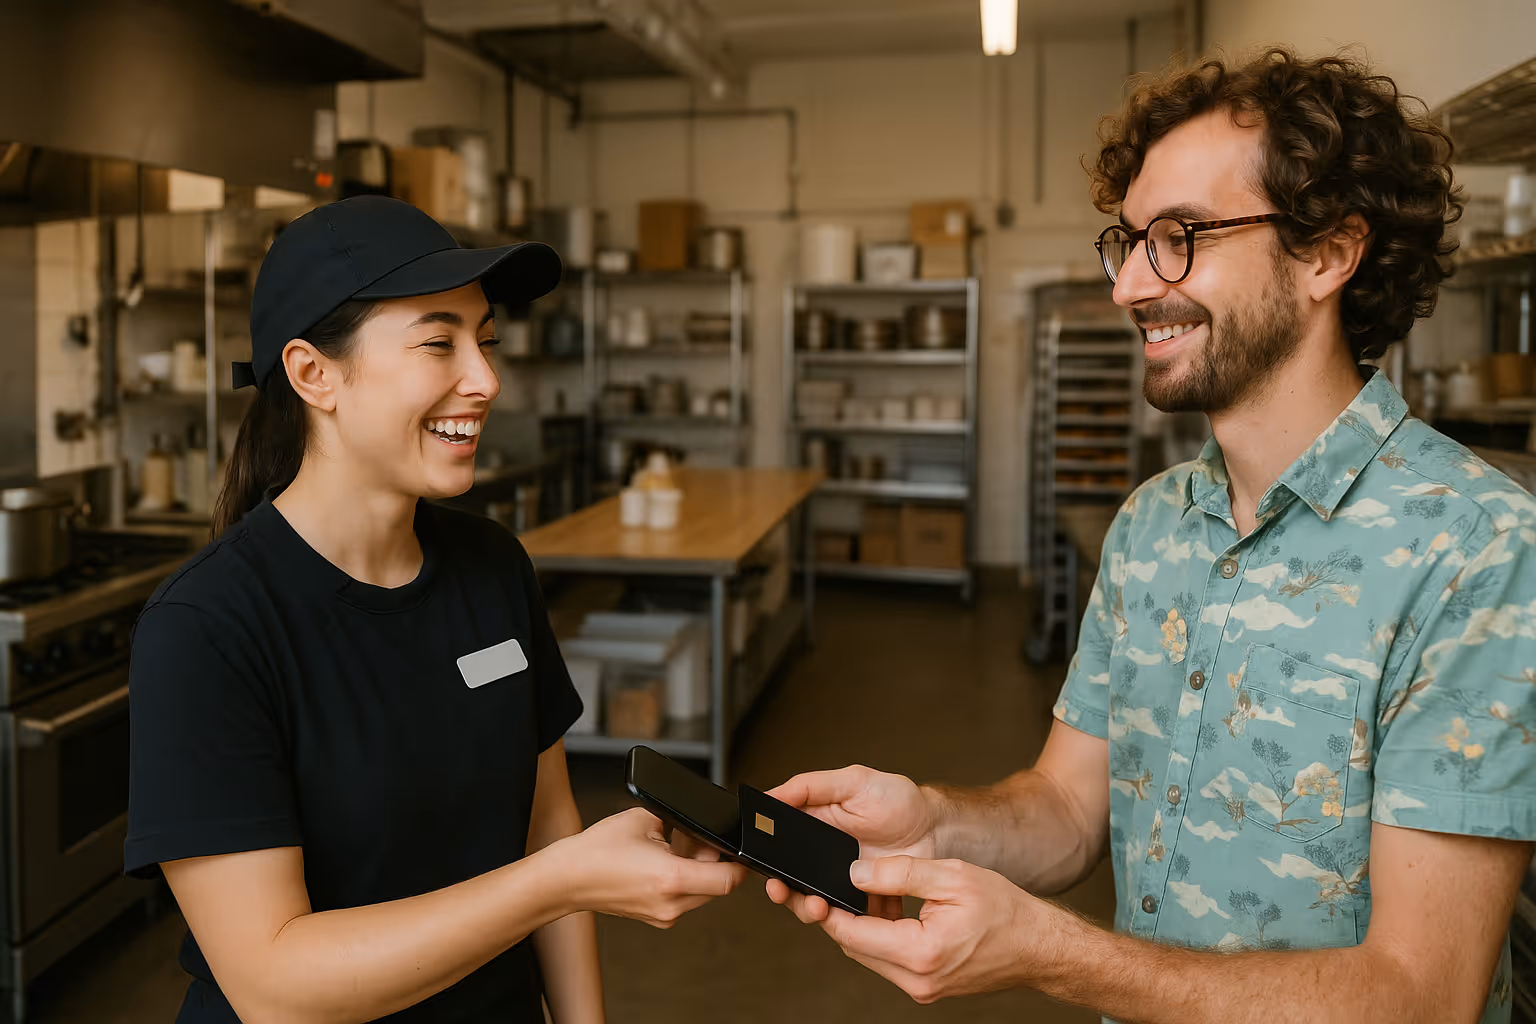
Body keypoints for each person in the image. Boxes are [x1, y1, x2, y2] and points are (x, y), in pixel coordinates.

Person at [766, 49, 1536, 1023]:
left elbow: (1423, 995)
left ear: (1328, 255)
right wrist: (934, 822)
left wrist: (1050, 951)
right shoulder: (1151, 526)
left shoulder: (1476, 550)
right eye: (1128, 242)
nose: (1130, 285)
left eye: (1179, 237)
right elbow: (1067, 809)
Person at [125, 196, 746, 1024]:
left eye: (486, 340)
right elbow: (273, 984)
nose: (486, 380)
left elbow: (546, 822)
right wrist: (556, 882)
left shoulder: (492, 567)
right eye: (438, 342)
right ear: (313, 374)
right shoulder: (208, 628)